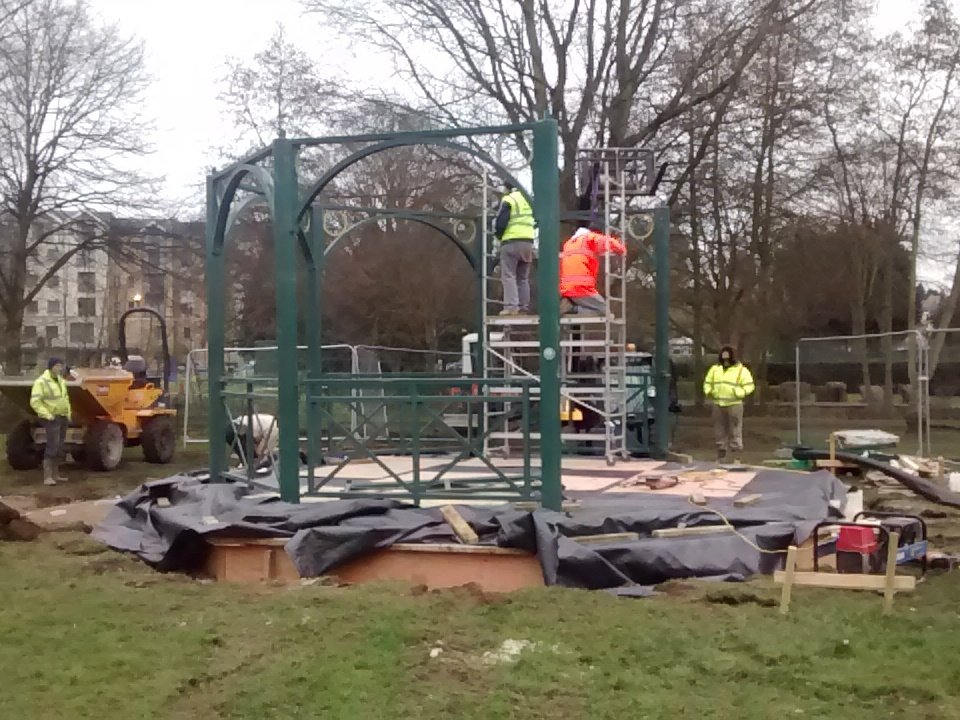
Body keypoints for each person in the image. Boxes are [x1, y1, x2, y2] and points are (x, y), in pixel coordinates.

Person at [702, 345, 755, 464]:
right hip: (718, 403)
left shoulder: (741, 370)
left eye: (728, 358)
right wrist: (710, 392)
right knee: (719, 430)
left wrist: (738, 393)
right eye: (723, 358)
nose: (725, 361)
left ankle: (737, 456)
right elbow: (707, 383)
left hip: (734, 404)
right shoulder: (715, 369)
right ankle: (721, 455)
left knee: (735, 430)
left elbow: (749, 386)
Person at [559, 226, 626, 315]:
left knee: (587, 305)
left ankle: (570, 305)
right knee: (604, 312)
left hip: (566, 288)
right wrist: (621, 249)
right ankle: (574, 309)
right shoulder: (588, 238)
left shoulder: (568, 244)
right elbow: (605, 241)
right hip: (581, 287)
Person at [494, 183, 536, 315]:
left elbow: (501, 222)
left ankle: (511, 307)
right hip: (528, 242)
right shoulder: (529, 200)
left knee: (508, 275)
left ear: (508, 188)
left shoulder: (509, 199)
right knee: (523, 277)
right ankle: (523, 306)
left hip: (511, 241)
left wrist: (498, 236)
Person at [30, 357, 72, 486]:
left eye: (61, 366)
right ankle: (47, 476)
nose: (60, 368)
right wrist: (47, 415)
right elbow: (35, 402)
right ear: (51, 367)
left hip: (62, 416)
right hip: (51, 418)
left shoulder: (60, 380)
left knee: (59, 446)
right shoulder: (41, 382)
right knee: (52, 446)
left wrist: (68, 414)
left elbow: (65, 399)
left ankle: (56, 474)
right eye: (57, 366)